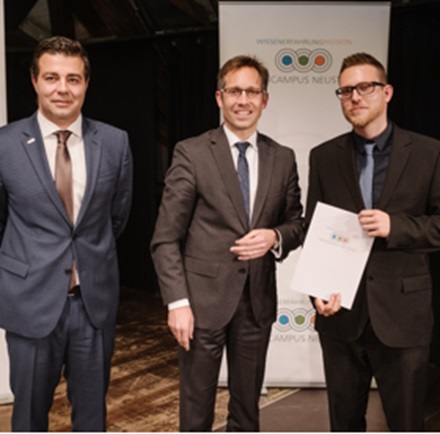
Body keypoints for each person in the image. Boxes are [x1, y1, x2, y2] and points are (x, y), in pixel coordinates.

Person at [150, 55, 304, 431]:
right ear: (219, 97)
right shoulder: (192, 152)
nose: (243, 100)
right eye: (234, 91)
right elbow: (165, 237)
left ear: (264, 100)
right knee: (197, 409)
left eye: (252, 91)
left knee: (247, 410)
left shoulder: (282, 158)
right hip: (200, 306)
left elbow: (297, 223)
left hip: (257, 304)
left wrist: (274, 237)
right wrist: (178, 303)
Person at [0, 36, 133, 431]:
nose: (63, 89)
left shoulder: (114, 142)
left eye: (73, 79)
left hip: (92, 306)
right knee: (27, 417)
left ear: (86, 84)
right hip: (30, 304)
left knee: (92, 417)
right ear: (35, 81)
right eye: (52, 77)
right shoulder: (4, 145)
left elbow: (117, 217)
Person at [306, 52, 440, 431]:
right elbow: (317, 230)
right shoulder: (324, 156)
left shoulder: (429, 153)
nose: (355, 97)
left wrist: (395, 227)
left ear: (387, 92)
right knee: (344, 424)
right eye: (346, 90)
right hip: (341, 318)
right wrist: (316, 292)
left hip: (402, 317)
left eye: (365, 87)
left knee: (406, 424)